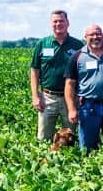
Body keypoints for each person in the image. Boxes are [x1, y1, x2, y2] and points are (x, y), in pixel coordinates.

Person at [64, 24, 103, 154]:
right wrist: (72, 109)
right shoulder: (77, 56)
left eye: (98, 34)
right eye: (91, 35)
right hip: (88, 107)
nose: (95, 37)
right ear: (85, 37)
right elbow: (69, 84)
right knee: (87, 148)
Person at [30, 10, 84, 142]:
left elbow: (83, 72)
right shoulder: (42, 44)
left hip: (70, 99)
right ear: (51, 24)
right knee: (43, 137)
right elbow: (34, 71)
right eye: (55, 21)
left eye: (61, 21)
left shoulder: (77, 45)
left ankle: (69, 160)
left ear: (68, 23)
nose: (58, 24)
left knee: (70, 137)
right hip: (48, 97)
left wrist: (82, 94)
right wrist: (35, 96)